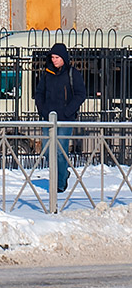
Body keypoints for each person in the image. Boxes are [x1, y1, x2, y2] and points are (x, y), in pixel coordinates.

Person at [34, 41, 86, 193]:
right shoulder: (47, 73)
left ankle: (60, 183)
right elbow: (39, 93)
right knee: (47, 149)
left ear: (64, 58)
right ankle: (62, 174)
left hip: (65, 119)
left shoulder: (72, 73)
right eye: (52, 57)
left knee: (60, 151)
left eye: (57, 57)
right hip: (48, 119)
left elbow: (80, 94)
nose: (54, 60)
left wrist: (67, 111)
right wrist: (43, 110)